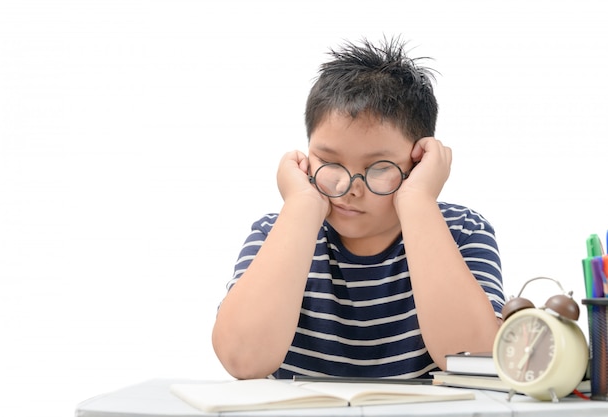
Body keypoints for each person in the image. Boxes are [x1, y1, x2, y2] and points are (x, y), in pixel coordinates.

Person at [212, 36, 504, 380]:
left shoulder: (462, 230)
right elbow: (242, 360)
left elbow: (476, 360)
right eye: (329, 161)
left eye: (379, 168)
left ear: (419, 162)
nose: (349, 189)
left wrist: (418, 201)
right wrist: (303, 205)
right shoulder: (277, 231)